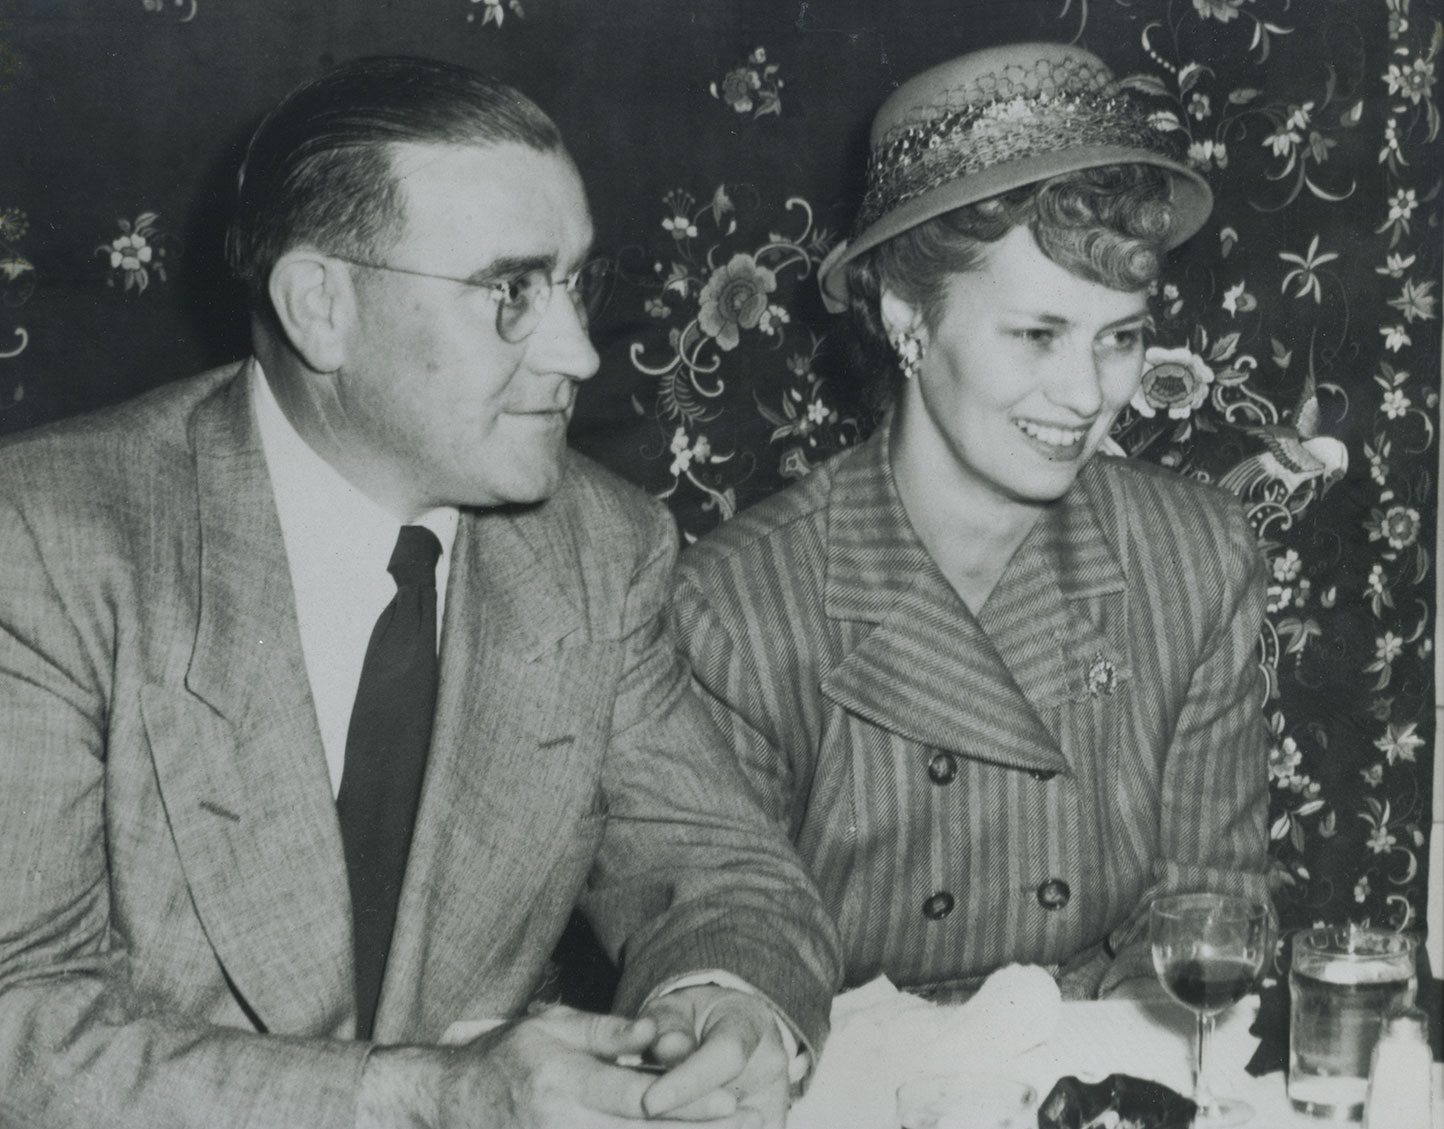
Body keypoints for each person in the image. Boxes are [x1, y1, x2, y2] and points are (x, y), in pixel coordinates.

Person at [0, 56, 841, 1129]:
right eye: (511, 292)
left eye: (575, 281)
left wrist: (713, 1013)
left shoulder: (599, 545)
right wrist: (432, 1100)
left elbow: (725, 877)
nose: (579, 351)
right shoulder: (45, 541)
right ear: (322, 307)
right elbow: (18, 1022)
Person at [670, 42, 1272, 1003]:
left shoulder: (1193, 559)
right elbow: (723, 954)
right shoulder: (738, 608)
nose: (1085, 396)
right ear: (906, 311)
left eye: (1119, 337)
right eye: (1037, 333)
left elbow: (1208, 914)